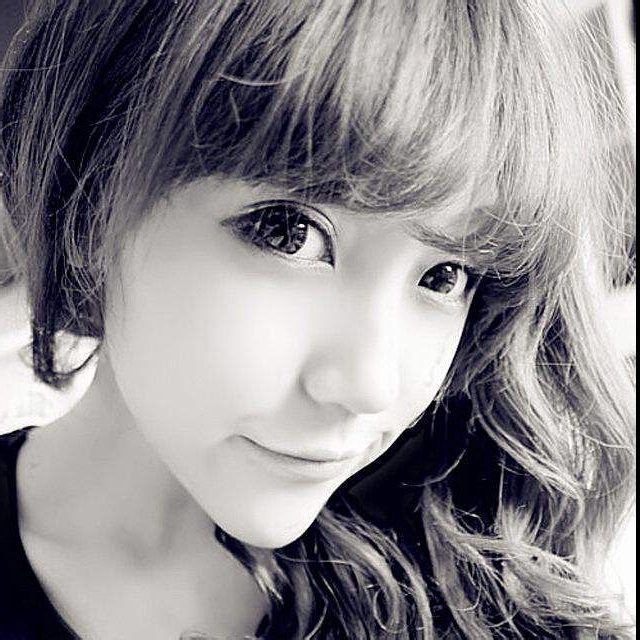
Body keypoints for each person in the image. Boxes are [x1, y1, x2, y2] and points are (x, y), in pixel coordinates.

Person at [0, 1, 635, 638]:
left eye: (445, 276)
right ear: (89, 200)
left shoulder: (482, 598)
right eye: (289, 232)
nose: (371, 387)